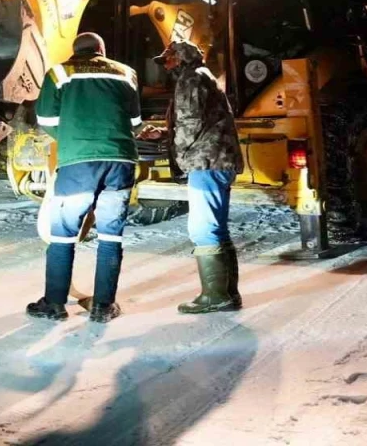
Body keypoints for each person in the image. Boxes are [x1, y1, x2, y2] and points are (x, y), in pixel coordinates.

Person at [26, 32, 143, 323]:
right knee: (110, 235)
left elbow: (46, 121)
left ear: (75, 50)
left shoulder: (60, 72)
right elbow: (135, 123)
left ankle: (54, 304)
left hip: (78, 163)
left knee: (63, 235)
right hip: (120, 162)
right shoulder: (126, 73)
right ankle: (104, 306)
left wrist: (70, 140)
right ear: (101, 51)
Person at [145, 40, 244, 313]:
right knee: (217, 229)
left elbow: (190, 125)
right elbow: (200, 121)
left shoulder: (191, 80)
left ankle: (216, 296)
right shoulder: (204, 77)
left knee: (202, 228)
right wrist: (165, 133)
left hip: (206, 161)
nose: (166, 65)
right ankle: (227, 293)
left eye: (169, 59)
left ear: (182, 58)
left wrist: (176, 152)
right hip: (217, 159)